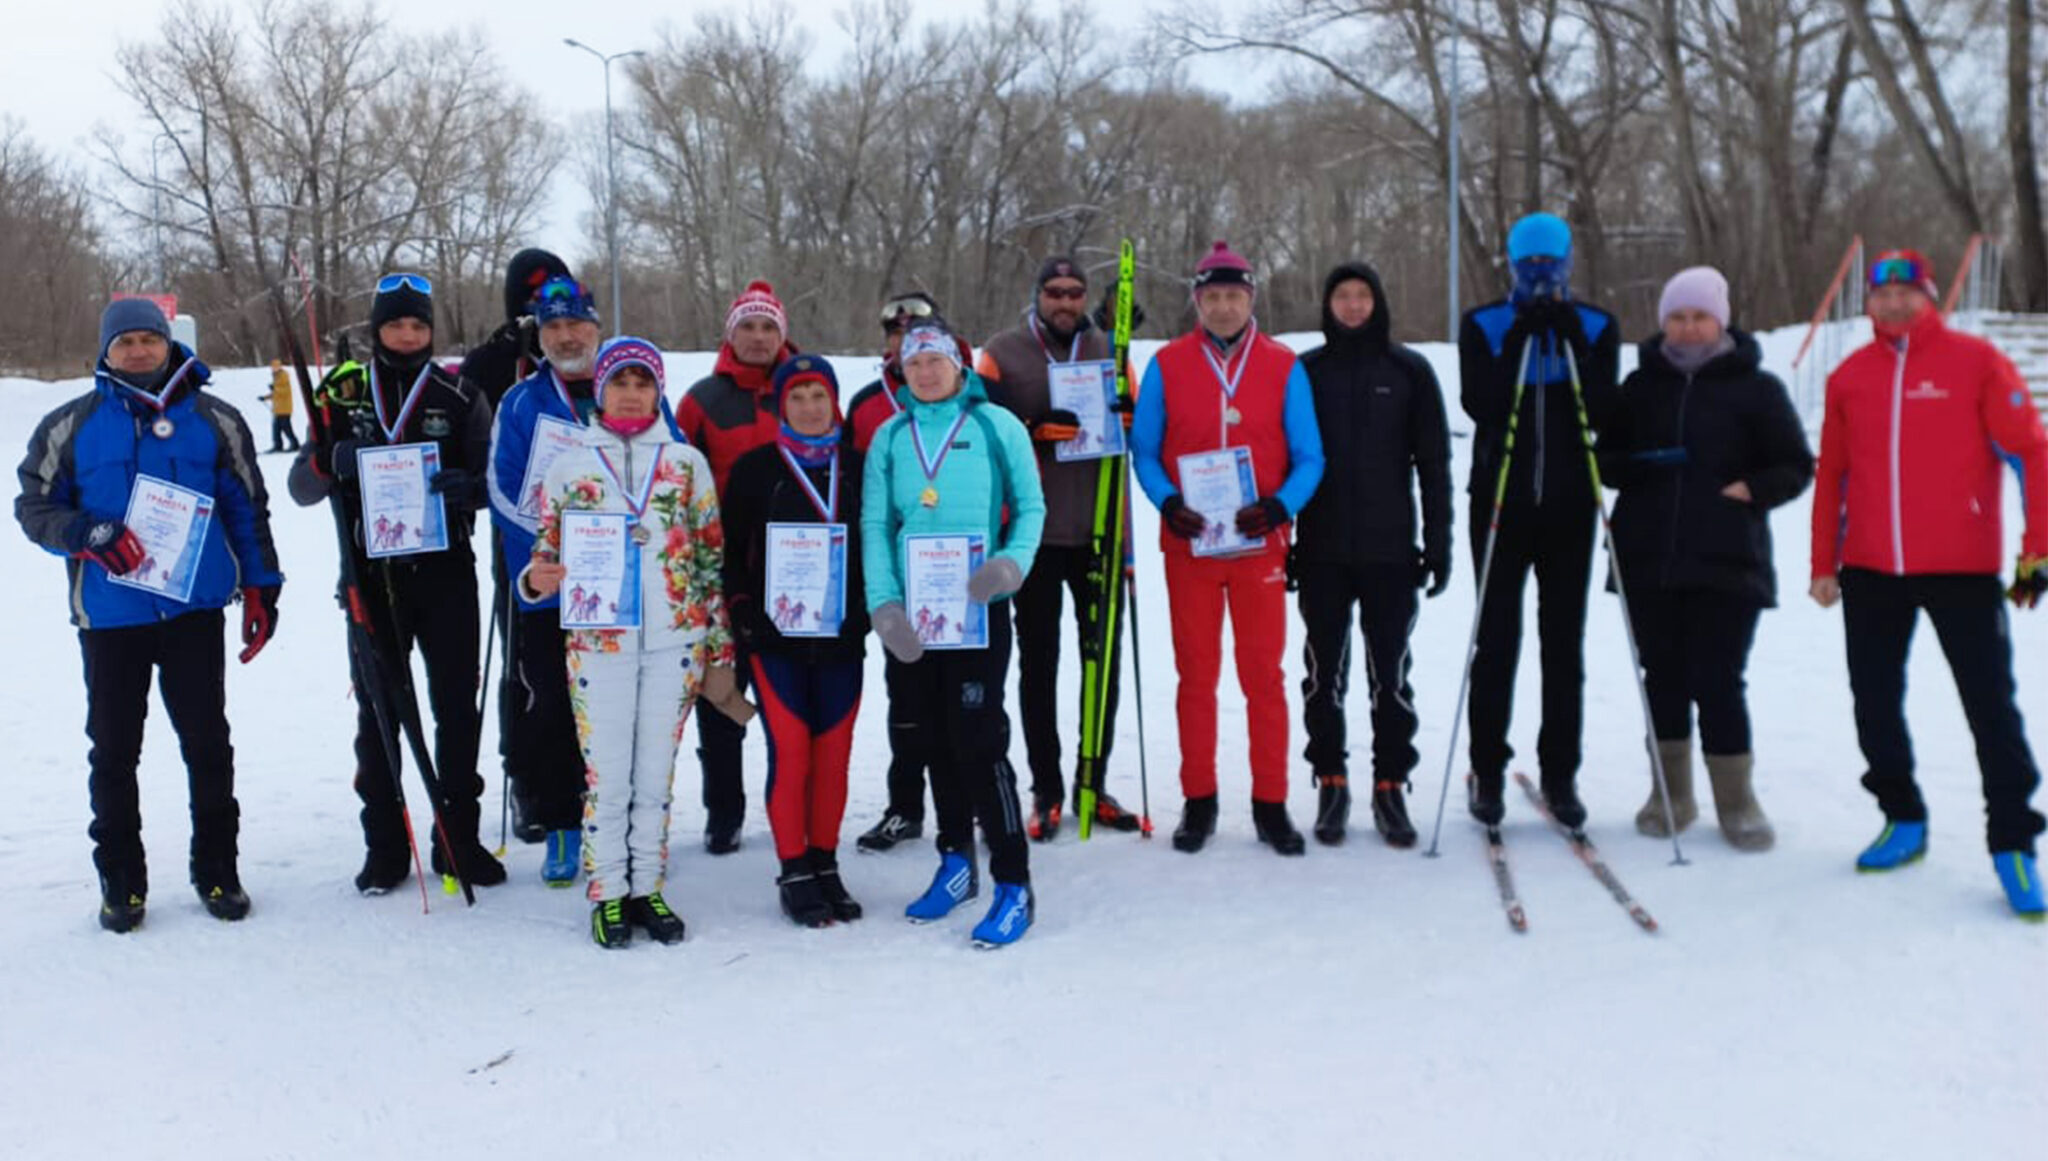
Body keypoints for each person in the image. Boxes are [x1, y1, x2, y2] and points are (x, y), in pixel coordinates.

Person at [15, 298, 283, 931]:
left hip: (193, 609)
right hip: (111, 618)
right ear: (106, 351)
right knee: (113, 751)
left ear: (169, 344)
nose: (138, 351)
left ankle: (217, 869)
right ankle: (121, 882)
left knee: (208, 744)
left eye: (149, 340)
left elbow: (248, 510)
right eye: (125, 341)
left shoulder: (215, 419)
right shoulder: (69, 426)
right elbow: (33, 506)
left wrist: (262, 589)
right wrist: (87, 532)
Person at [1809, 249, 2048, 916]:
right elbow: (1832, 474)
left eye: (1907, 292)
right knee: (1874, 701)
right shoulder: (1850, 375)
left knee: (1990, 707)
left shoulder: (1975, 362)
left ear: (1929, 296)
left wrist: (2039, 552)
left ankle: (2014, 845)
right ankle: (1902, 815)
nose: (1893, 304)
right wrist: (1822, 562)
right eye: (1882, 295)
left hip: (1962, 569)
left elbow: (2032, 451)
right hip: (1870, 568)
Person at [520, 337, 748, 946]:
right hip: (599, 642)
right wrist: (535, 578)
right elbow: (546, 552)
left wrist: (717, 649)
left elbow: (707, 562)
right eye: (619, 382)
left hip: (676, 640)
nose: (630, 393)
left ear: (658, 391)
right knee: (608, 777)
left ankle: (647, 886)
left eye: (643, 383)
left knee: (655, 776)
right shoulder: (569, 465)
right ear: (600, 389)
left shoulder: (685, 463)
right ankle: (608, 893)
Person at [288, 273, 507, 893]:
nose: (407, 335)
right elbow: (301, 489)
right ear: (376, 328)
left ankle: (457, 840)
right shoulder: (344, 392)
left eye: (418, 325)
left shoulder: (460, 392)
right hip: (369, 573)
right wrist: (331, 461)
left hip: (445, 572)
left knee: (456, 710)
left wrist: (473, 491)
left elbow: (496, 481)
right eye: (395, 324)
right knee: (380, 712)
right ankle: (385, 844)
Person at [1602, 266, 1813, 851]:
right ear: (1664, 321)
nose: (1688, 328)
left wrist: (1753, 488)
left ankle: (1737, 802)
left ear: (1721, 320)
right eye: (1678, 317)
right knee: (1662, 678)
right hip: (1647, 557)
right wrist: (1634, 468)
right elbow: (1606, 458)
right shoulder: (1640, 387)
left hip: (1727, 557)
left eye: (1699, 316)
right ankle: (1670, 794)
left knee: (1719, 680)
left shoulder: (1757, 388)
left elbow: (1795, 464)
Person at [1132, 241, 1326, 856]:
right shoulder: (1166, 364)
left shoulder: (1282, 365)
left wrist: (1280, 507)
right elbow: (1145, 449)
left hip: (1257, 546)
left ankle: (1271, 801)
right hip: (1190, 546)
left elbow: (1310, 456)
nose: (1222, 307)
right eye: (1211, 296)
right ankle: (1199, 799)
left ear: (1250, 299)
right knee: (1197, 675)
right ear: (1197, 300)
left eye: (1233, 296)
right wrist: (1167, 501)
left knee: (1263, 676)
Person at [862, 317, 1045, 946]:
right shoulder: (890, 437)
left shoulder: (997, 426)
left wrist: (1010, 564)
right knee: (931, 739)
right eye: (914, 364)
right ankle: (955, 862)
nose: (925, 372)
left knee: (980, 739)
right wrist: (884, 605)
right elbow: (875, 525)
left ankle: (1014, 883)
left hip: (977, 610)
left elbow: (1031, 507)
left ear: (958, 365)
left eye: (936, 360)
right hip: (913, 619)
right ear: (902, 373)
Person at [1457, 211, 1621, 830]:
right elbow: (1482, 403)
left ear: (1568, 262)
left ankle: (1560, 773)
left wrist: (1571, 340)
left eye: (1550, 263)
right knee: (1495, 642)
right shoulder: (1486, 324)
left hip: (1571, 508)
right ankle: (1489, 770)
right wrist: (1523, 337)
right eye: (1528, 264)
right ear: (1511, 264)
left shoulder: (1598, 324)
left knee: (1563, 645)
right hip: (1500, 502)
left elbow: (1604, 408)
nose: (1540, 275)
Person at [976, 255, 1143, 840]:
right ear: (1038, 296)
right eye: (1055, 292)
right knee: (1039, 664)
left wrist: (1129, 411)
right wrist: (1032, 427)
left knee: (1103, 666)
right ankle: (1045, 788)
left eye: (1075, 293)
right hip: (1036, 536)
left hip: (1099, 533)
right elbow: (981, 426)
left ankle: (1091, 784)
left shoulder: (1110, 348)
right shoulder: (1004, 349)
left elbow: (1139, 428)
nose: (1066, 302)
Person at [1292, 261, 1452, 848]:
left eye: (1363, 295)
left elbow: (1434, 465)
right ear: (1328, 304)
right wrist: (1285, 542)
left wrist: (1439, 543)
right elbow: (1284, 462)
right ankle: (1330, 780)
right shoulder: (1305, 372)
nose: (1353, 306)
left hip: (1390, 552)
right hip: (1323, 552)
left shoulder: (1408, 370)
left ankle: (1391, 784)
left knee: (1391, 675)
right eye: (1343, 296)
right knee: (1323, 674)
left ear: (1377, 301)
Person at [723, 354, 872, 925]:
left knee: (833, 758)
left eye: (818, 395)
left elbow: (877, 541)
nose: (810, 408)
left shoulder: (859, 466)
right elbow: (732, 552)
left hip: (841, 637)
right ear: (780, 405)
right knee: (792, 753)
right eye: (797, 397)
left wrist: (866, 608)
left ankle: (825, 862)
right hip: (778, 639)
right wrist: (743, 613)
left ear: (833, 401)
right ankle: (794, 868)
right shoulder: (758, 467)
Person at [486, 275, 609, 886]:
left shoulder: (631, 386)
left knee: (614, 708)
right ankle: (562, 824)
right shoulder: (521, 402)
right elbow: (503, 490)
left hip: (617, 585)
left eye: (576, 324)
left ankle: (613, 823)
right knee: (553, 708)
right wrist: (552, 548)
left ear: (595, 327)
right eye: (553, 326)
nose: (566, 336)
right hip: (548, 585)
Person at [676, 280, 799, 854]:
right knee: (720, 694)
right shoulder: (702, 400)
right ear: (730, 334)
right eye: (747, 327)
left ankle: (788, 804)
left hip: (794, 573)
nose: (757, 337)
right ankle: (723, 809)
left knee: (788, 701)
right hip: (720, 573)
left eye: (767, 327)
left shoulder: (804, 390)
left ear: (782, 334)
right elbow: (676, 483)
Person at [847, 290, 968, 854]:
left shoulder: (971, 399)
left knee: (972, 701)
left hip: (962, 576)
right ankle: (905, 806)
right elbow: (857, 493)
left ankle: (977, 804)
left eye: (914, 332)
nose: (903, 343)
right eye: (893, 333)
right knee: (908, 700)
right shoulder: (870, 406)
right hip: (900, 579)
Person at [461, 248, 573, 844]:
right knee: (527, 670)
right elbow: (472, 447)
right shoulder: (491, 361)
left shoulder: (584, 357)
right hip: (522, 546)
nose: (541, 308)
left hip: (593, 548)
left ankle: (580, 781)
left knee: (581, 671)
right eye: (531, 296)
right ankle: (526, 779)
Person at [260, 359, 300, 453]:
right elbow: (276, 393)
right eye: (273, 367)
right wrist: (265, 397)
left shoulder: (283, 376)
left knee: (286, 428)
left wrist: (275, 388)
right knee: (276, 429)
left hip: (285, 409)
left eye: (275, 367)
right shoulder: (276, 378)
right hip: (278, 409)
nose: (273, 369)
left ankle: (295, 444)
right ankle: (278, 445)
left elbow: (284, 392)